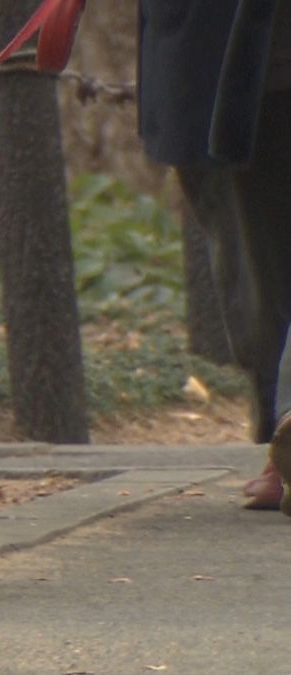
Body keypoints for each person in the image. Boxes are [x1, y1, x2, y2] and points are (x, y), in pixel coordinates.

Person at [137, 0, 291, 511]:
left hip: (215, 49)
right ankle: (281, 429)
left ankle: (280, 430)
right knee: (252, 243)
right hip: (221, 50)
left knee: (254, 250)